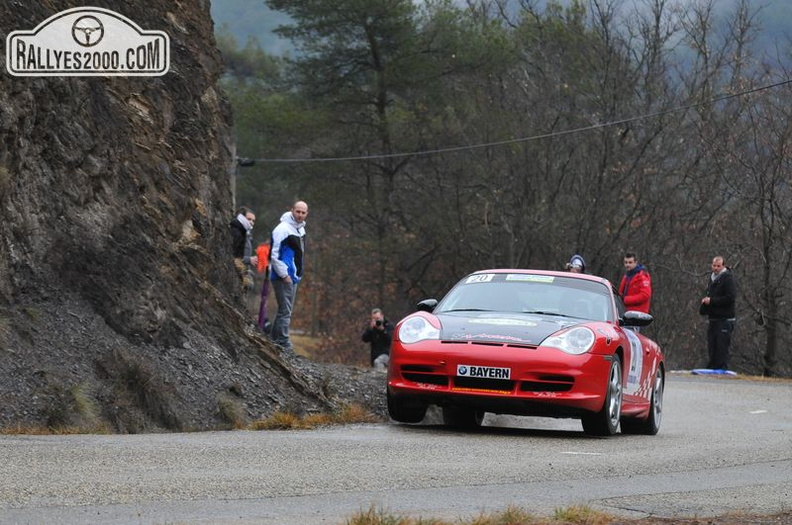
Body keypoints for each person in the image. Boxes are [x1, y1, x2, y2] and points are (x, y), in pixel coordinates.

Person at [268, 201, 308, 351]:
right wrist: (284, 274)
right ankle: (284, 343)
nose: (300, 215)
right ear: (292, 210)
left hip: (294, 276)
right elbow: (275, 255)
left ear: (306, 214)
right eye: (298, 211)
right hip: (283, 277)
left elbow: (300, 253)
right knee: (285, 311)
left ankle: (273, 340)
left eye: (303, 213)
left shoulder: (301, 229)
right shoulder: (282, 229)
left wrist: (298, 273)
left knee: (284, 310)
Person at [700, 256, 737, 370]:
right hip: (714, 318)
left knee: (722, 347)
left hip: (725, 319)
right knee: (712, 346)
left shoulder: (728, 278)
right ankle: (712, 367)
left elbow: (730, 297)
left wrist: (712, 301)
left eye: (718, 266)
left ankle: (721, 369)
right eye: (714, 265)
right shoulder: (712, 279)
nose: (715, 268)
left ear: (723, 266)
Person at [229, 207, 258, 292]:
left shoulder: (246, 233)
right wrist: (248, 259)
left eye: (253, 221)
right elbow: (231, 254)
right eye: (249, 219)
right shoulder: (236, 232)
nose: (251, 222)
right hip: (234, 273)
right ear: (242, 217)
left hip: (242, 272)